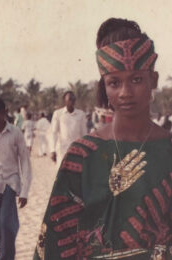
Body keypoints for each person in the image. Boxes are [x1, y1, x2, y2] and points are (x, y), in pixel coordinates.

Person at [34, 18, 172, 260]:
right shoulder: (83, 154)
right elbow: (57, 238)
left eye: (137, 79)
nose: (125, 92)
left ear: (154, 79)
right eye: (114, 83)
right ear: (105, 87)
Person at [0, 98, 32, 260]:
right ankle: (5, 244)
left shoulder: (15, 133)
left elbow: (25, 162)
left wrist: (24, 191)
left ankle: (5, 255)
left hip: (10, 184)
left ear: (3, 112)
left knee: (5, 222)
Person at [49, 91, 87, 169]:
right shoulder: (58, 114)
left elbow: (84, 134)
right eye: (70, 99)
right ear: (65, 101)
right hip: (62, 151)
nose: (72, 101)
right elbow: (53, 133)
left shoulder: (81, 114)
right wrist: (52, 150)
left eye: (73, 99)